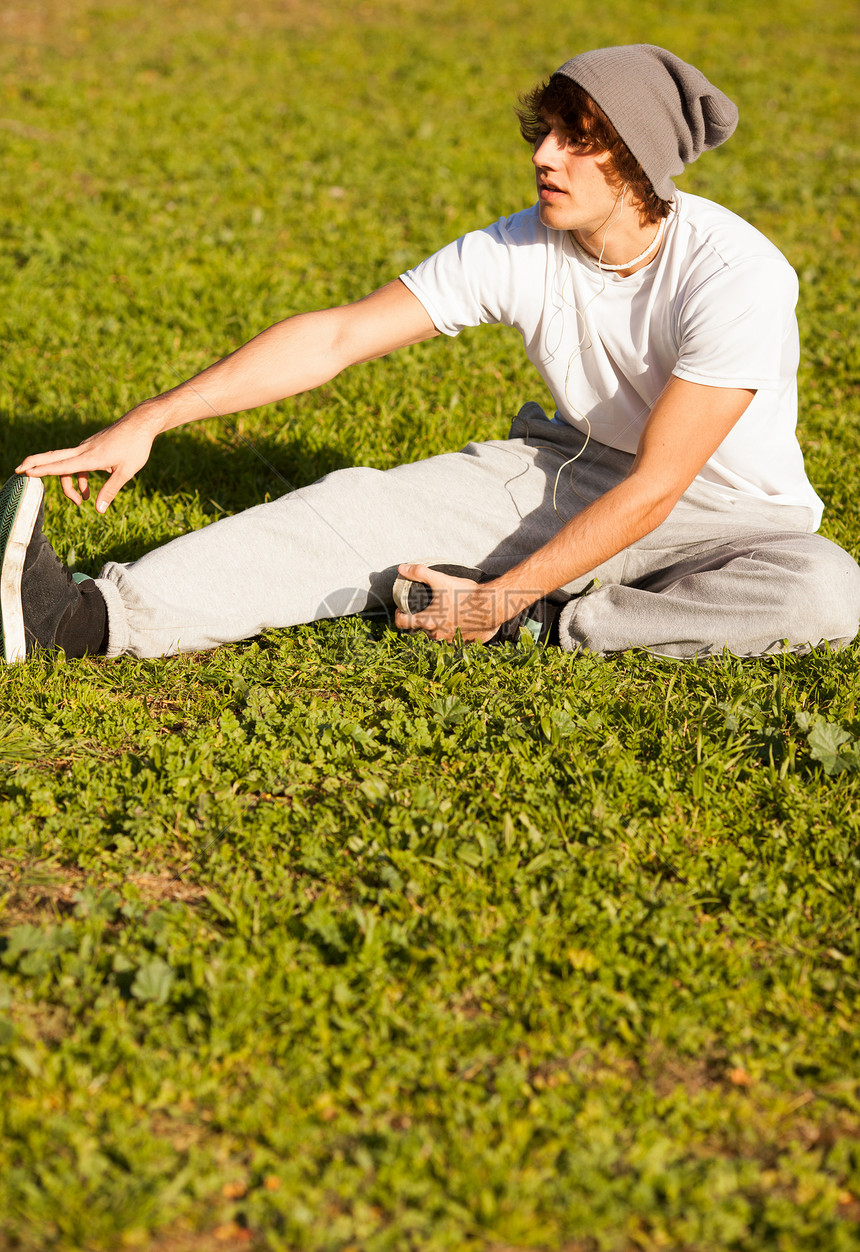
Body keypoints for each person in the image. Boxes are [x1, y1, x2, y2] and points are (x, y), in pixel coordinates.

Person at [2, 43, 859, 666]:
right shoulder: (520, 246)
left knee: (826, 591)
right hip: (573, 470)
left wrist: (498, 600)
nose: (542, 156)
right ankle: (84, 621)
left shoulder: (736, 274)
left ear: (641, 164)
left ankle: (550, 623)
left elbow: (661, 486)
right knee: (356, 512)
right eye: (547, 130)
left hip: (731, 521)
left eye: (578, 140)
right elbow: (336, 337)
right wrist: (156, 417)